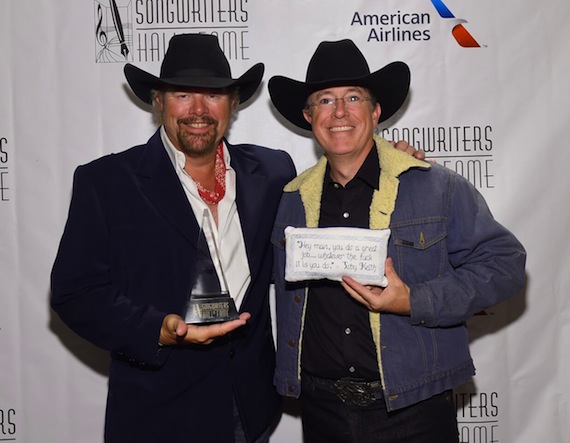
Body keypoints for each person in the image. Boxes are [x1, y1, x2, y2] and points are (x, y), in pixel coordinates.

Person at [268, 39, 526, 442]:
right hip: (323, 413)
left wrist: (414, 300)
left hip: (413, 413)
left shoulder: (436, 187)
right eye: (324, 100)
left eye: (353, 98)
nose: (339, 112)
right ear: (308, 116)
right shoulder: (290, 201)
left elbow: (505, 264)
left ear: (375, 112)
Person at [50, 33, 295, 443]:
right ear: (158, 101)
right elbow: (75, 293)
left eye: (213, 95)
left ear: (233, 103)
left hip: (250, 410)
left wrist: (393, 160)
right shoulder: (107, 182)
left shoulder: (272, 172)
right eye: (183, 95)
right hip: (158, 416)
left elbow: (330, 203)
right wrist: (157, 330)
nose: (198, 110)